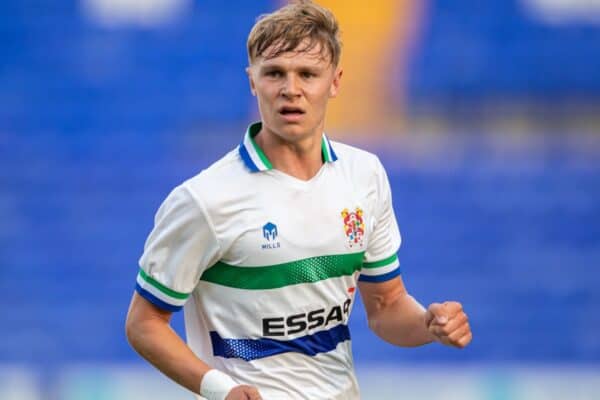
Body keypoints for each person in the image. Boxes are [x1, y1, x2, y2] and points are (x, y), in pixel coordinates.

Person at [125, 1, 472, 399]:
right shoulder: (204, 200)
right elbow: (144, 322)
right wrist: (221, 389)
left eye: (307, 74)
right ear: (252, 81)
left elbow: (388, 306)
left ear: (335, 81)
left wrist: (428, 324)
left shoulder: (365, 176)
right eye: (275, 73)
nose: (291, 89)